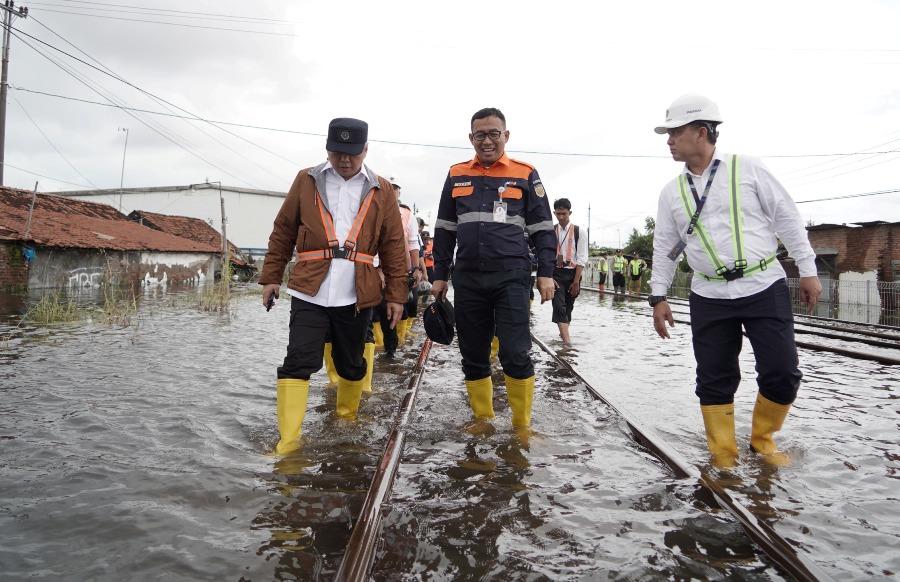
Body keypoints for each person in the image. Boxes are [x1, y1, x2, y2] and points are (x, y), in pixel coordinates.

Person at [649, 94, 821, 468]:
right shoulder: (671, 192)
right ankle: (723, 456)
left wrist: (808, 270)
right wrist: (657, 296)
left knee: (782, 371)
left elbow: (787, 218)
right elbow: (664, 248)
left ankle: (762, 441)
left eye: (675, 131)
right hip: (708, 293)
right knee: (714, 377)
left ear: (701, 131)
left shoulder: (748, 169)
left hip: (763, 285)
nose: (669, 140)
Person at [259, 118, 408, 456]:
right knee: (298, 360)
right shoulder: (306, 180)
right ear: (327, 149)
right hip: (309, 289)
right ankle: (289, 441)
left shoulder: (381, 190)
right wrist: (271, 277)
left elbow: (394, 246)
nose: (345, 160)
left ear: (366, 150)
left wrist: (397, 295)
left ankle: (346, 419)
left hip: (356, 292)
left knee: (351, 363)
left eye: (352, 154)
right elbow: (283, 230)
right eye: (338, 153)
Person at [432, 107, 555, 432]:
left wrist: (546, 272)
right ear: (471, 137)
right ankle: (483, 419)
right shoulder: (457, 173)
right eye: (480, 135)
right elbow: (444, 228)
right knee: (473, 352)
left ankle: (522, 425)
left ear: (506, 136)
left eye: (493, 134)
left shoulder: (525, 173)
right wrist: (439, 276)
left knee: (515, 351)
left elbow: (543, 228)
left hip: (511, 276)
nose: (486, 141)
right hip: (468, 278)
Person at [551, 198, 588, 344]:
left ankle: (563, 336)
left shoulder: (579, 232)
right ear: (554, 213)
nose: (561, 217)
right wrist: (548, 276)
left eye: (564, 214)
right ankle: (567, 344)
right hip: (556, 273)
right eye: (558, 214)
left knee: (568, 308)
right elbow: (546, 255)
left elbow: (582, 258)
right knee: (559, 306)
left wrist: (576, 281)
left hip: (573, 274)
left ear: (570, 213)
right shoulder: (551, 231)